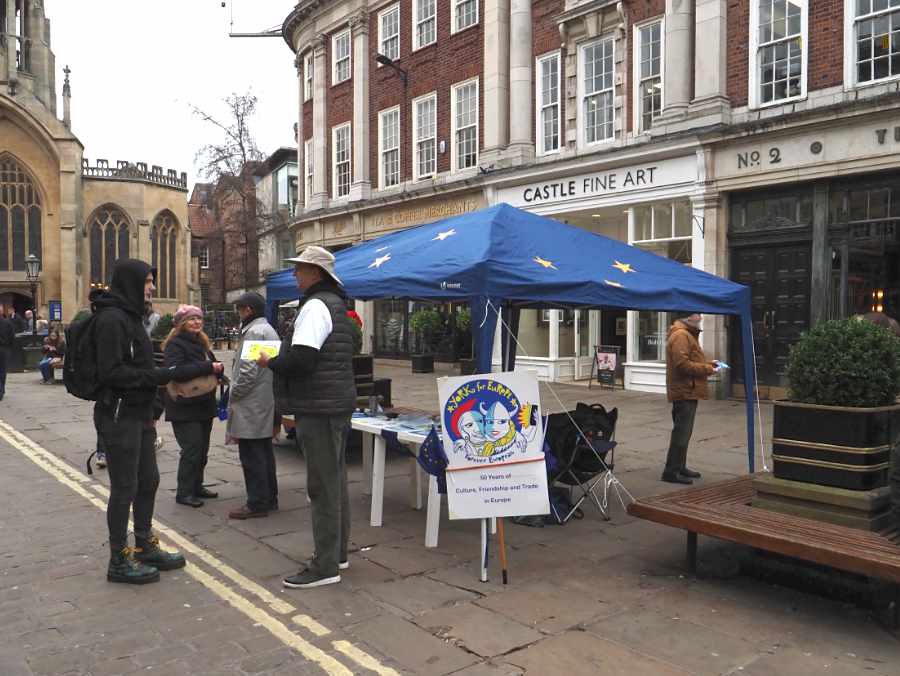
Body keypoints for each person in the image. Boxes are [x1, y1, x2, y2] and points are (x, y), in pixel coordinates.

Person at [257, 246, 356, 589]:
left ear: (316, 273)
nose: (295, 274)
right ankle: (337, 552)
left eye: (300, 269)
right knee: (336, 481)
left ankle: (325, 566)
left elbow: (303, 360)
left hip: (319, 407)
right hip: (335, 404)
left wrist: (271, 362)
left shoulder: (315, 307)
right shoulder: (337, 305)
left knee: (323, 487)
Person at [92, 259, 186, 584]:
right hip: (118, 415)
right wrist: (157, 377)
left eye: (152, 280)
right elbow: (111, 372)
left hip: (140, 414)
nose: (152, 287)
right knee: (124, 488)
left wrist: (154, 397)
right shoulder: (112, 320)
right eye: (147, 281)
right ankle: (118, 559)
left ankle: (144, 544)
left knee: (149, 480)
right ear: (131, 282)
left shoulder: (132, 317)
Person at [163, 305, 224, 508]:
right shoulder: (175, 344)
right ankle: (184, 492)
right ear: (182, 323)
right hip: (183, 405)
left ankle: (197, 486)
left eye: (198, 319)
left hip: (203, 403)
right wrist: (208, 367)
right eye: (191, 319)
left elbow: (210, 366)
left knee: (202, 450)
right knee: (191, 449)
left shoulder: (202, 342)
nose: (197, 322)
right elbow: (176, 371)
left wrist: (218, 371)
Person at [227, 292, 280, 519]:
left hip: (251, 403)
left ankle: (257, 503)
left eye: (239, 309)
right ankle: (269, 499)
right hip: (263, 400)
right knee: (264, 452)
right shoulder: (268, 329)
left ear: (248, 310)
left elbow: (249, 372)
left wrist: (233, 393)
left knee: (252, 455)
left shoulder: (256, 332)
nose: (238, 313)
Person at [663, 313, 719, 485]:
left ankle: (680, 466)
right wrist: (708, 369)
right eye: (697, 314)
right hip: (685, 390)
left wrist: (709, 363)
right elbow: (682, 365)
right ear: (687, 317)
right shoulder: (681, 335)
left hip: (688, 389)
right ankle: (671, 471)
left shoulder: (686, 333)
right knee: (681, 433)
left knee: (684, 433)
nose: (700, 317)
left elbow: (691, 359)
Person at [0, 311, 14, 401]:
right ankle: (1, 390)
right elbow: (12, 336)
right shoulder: (8, 322)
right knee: (2, 370)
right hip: (4, 349)